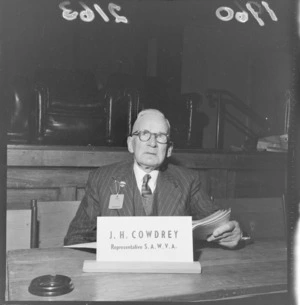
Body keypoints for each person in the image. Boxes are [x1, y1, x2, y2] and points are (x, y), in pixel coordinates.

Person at [64, 109, 242, 248]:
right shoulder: (101, 179)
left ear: (169, 150)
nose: (152, 143)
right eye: (144, 134)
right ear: (130, 144)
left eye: (161, 136)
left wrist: (233, 233)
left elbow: (219, 222)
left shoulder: (188, 180)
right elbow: (75, 238)